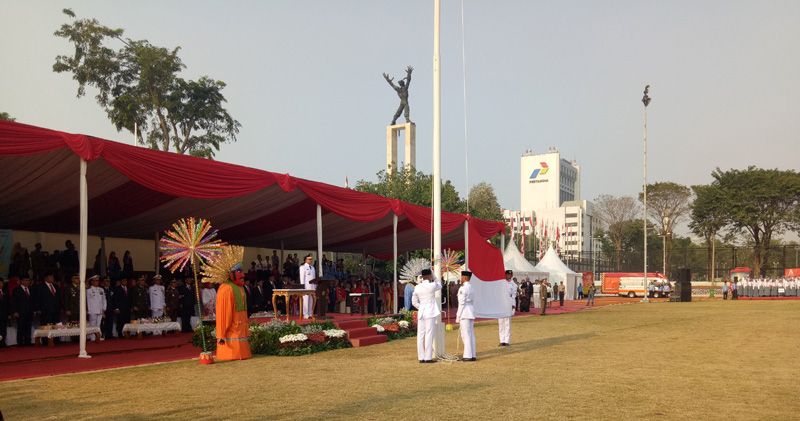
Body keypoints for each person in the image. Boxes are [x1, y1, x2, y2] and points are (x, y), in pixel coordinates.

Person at [203, 245, 252, 361]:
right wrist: (221, 334)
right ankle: (229, 353)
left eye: (242, 271)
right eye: (239, 271)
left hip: (240, 327)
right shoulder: (225, 288)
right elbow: (224, 315)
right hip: (230, 335)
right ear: (231, 274)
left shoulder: (240, 288)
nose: (243, 275)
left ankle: (242, 353)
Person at [412, 268, 441, 363]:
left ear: (422, 276)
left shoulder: (417, 287)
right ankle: (428, 357)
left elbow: (414, 302)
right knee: (429, 334)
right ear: (429, 276)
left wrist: (421, 307)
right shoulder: (432, 285)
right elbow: (440, 285)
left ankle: (421, 357)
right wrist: (434, 276)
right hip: (430, 312)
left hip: (422, 312)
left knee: (420, 335)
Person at [456, 270, 476, 362]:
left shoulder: (463, 289)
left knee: (465, 335)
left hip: (464, 312)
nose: (460, 279)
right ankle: (472, 354)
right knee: (471, 334)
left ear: (464, 278)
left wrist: (458, 315)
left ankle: (467, 355)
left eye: (461, 277)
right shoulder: (471, 287)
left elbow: (462, 303)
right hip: (470, 311)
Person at [12, 277, 34, 346]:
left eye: (28, 280)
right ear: (21, 281)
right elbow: (13, 301)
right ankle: (20, 342)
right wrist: (15, 311)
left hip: (29, 312)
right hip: (20, 312)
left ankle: (28, 342)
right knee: (21, 328)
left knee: (28, 327)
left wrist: (34, 310)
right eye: (26, 280)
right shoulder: (17, 290)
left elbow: (33, 301)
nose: (27, 282)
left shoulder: (31, 289)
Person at [498, 270, 516, 346]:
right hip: (501, 303)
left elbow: (514, 296)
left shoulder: (513, 284)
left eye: (510, 275)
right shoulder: (501, 283)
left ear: (511, 276)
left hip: (508, 303)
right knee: (501, 323)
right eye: (507, 274)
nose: (508, 276)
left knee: (507, 323)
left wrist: (513, 305)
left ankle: (507, 341)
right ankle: (502, 340)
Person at [87, 275, 106, 340]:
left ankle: (98, 336)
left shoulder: (101, 289)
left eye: (98, 281)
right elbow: (87, 301)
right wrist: (88, 310)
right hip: (92, 310)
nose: (97, 282)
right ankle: (92, 337)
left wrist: (104, 308)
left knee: (98, 324)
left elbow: (104, 299)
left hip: (100, 309)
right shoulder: (89, 290)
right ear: (92, 282)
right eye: (95, 281)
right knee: (92, 324)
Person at [299, 254, 316, 319]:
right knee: (306, 300)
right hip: (306, 287)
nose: (310, 260)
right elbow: (302, 277)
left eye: (311, 259)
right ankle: (305, 314)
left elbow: (314, 278)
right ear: (305, 260)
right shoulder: (302, 267)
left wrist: (315, 287)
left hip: (312, 287)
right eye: (309, 259)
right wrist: (302, 286)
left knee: (311, 300)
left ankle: (310, 313)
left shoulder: (313, 268)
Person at [0, 277, 8, 347]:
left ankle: (3, 343)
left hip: (4, 314)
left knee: (3, 329)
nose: (0, 284)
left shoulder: (5, 291)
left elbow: (8, 303)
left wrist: (8, 313)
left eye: (1, 282)